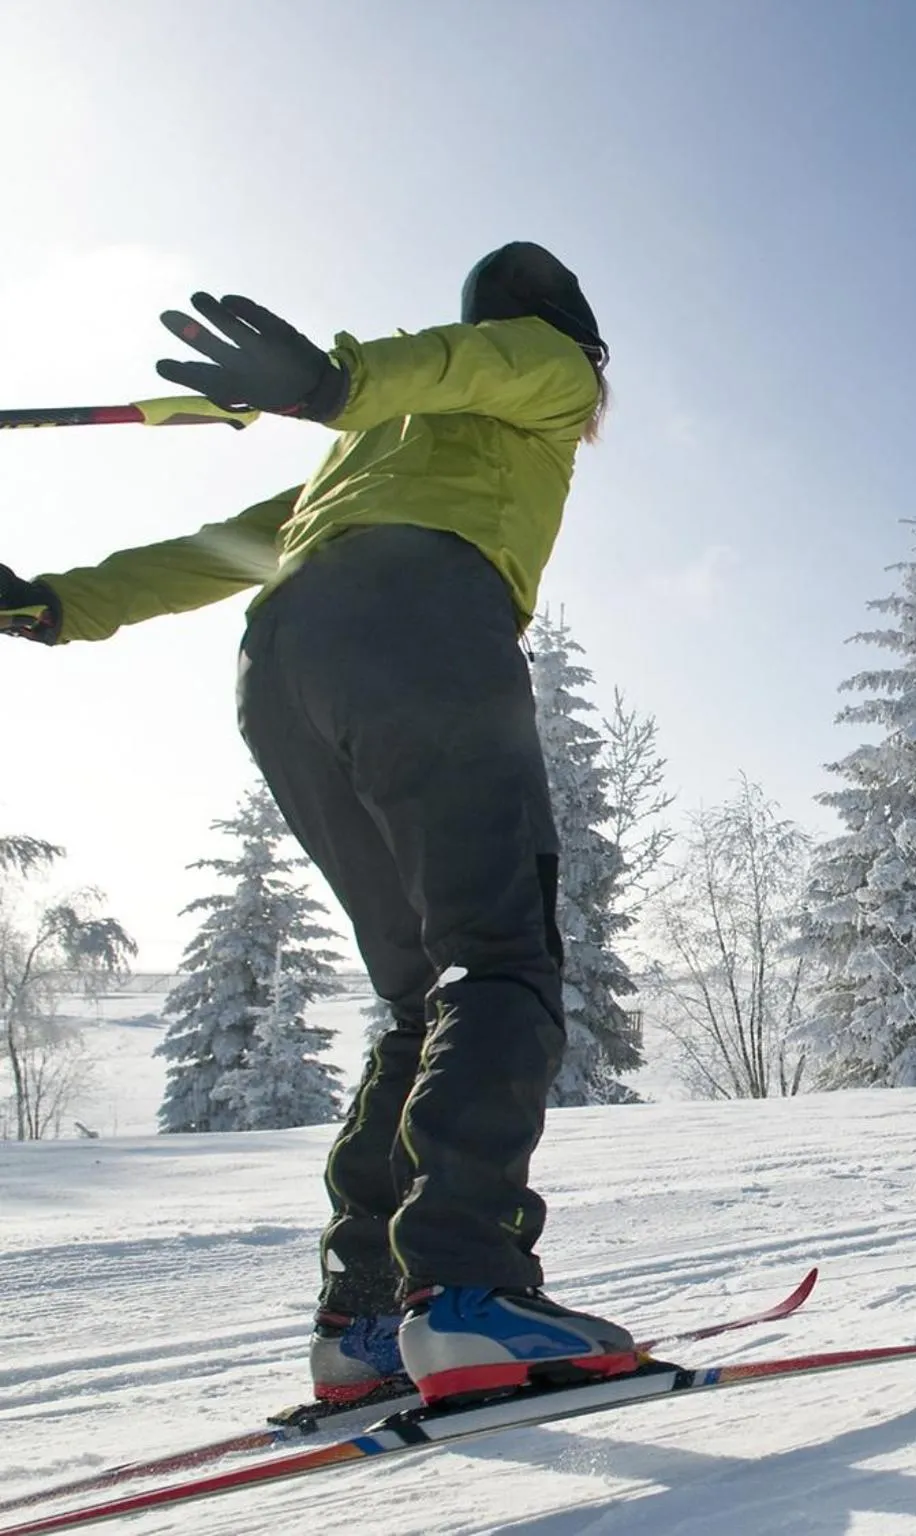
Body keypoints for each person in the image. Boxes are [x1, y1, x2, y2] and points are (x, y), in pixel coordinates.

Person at [0, 242, 638, 1408]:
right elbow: (466, 360)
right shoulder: (549, 372)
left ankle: (364, 1322)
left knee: (420, 1000)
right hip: (422, 625)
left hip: (286, 662)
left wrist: (61, 602)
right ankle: (468, 1294)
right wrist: (333, 383)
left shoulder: (368, 450)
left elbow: (226, 550)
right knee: (497, 961)